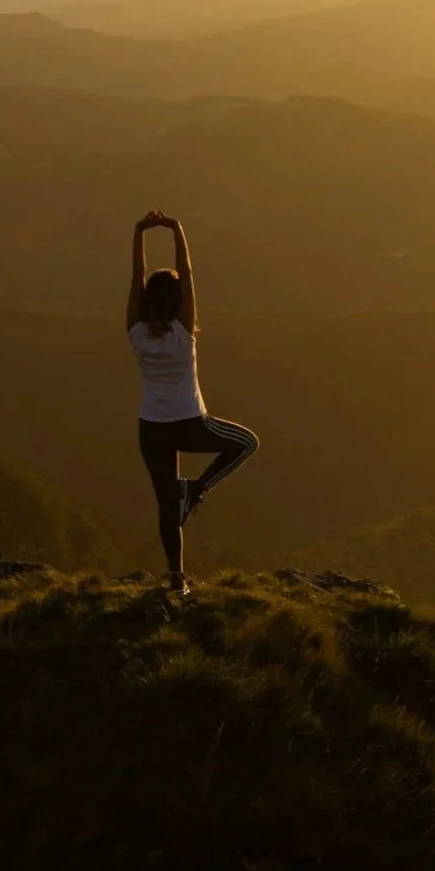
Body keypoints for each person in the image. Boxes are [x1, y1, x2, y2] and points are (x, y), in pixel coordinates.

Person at [127, 210, 259, 595]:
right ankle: (197, 489)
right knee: (247, 443)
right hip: (188, 422)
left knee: (166, 506)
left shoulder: (135, 332)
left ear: (148, 301)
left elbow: (137, 279)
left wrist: (139, 233)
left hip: (150, 429)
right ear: (179, 299)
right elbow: (188, 272)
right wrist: (176, 229)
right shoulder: (184, 332)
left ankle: (176, 580)